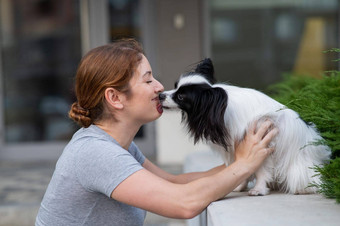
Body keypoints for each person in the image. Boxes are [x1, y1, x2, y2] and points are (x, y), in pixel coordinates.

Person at [35, 39, 278, 226]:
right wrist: (243, 166)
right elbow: (184, 203)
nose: (160, 87)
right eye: (148, 80)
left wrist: (247, 162)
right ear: (115, 98)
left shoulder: (118, 145)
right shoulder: (95, 153)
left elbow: (173, 183)